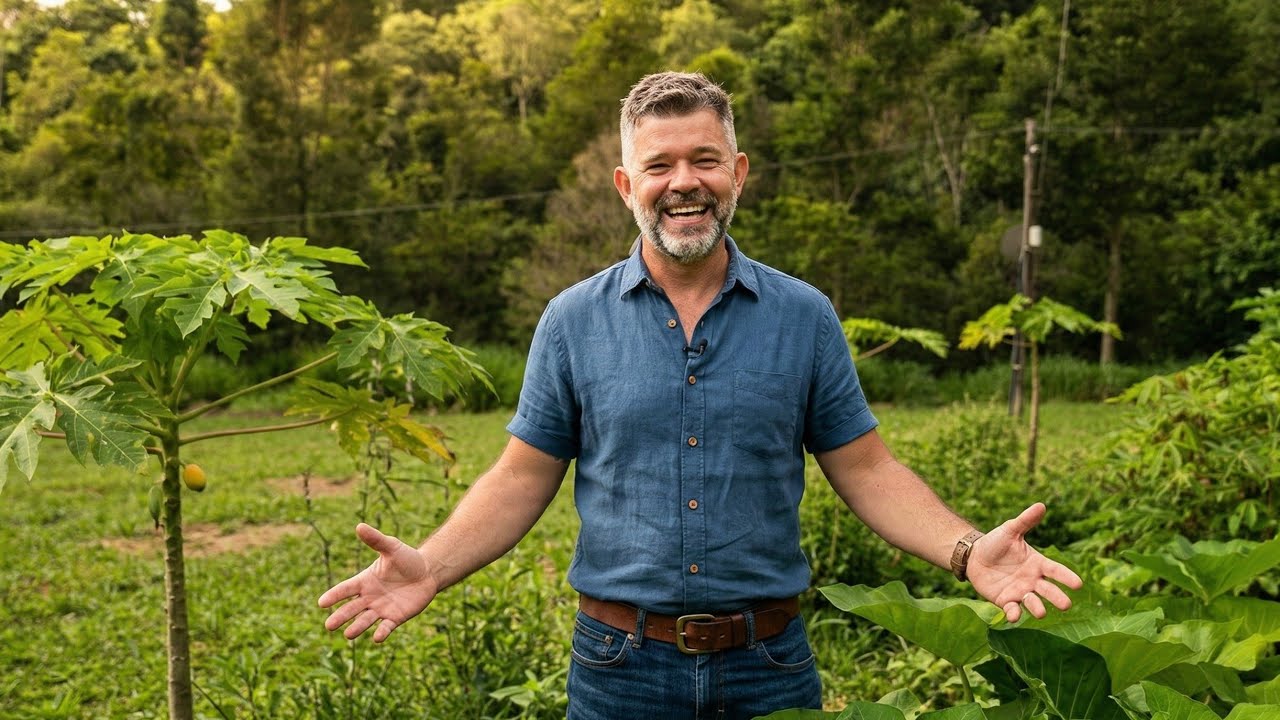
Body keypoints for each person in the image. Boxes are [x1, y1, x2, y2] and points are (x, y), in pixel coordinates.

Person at [318, 71, 1083, 719]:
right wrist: (432, 566)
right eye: (658, 166)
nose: (683, 182)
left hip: (769, 667)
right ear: (627, 186)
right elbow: (522, 476)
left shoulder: (804, 316)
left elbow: (868, 469)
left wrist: (964, 551)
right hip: (618, 669)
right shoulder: (572, 321)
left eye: (704, 159)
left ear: (738, 173)